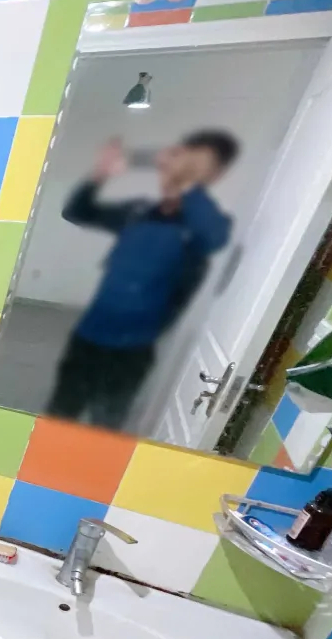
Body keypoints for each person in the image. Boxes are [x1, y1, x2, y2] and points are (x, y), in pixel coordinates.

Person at [46, 131, 238, 429]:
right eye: (180, 158)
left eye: (197, 164)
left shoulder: (203, 227)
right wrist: (100, 174)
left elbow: (215, 238)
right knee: (60, 414)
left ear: (215, 175)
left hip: (132, 351)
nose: (178, 167)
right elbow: (76, 212)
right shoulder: (138, 212)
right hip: (87, 337)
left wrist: (185, 182)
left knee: (105, 424)